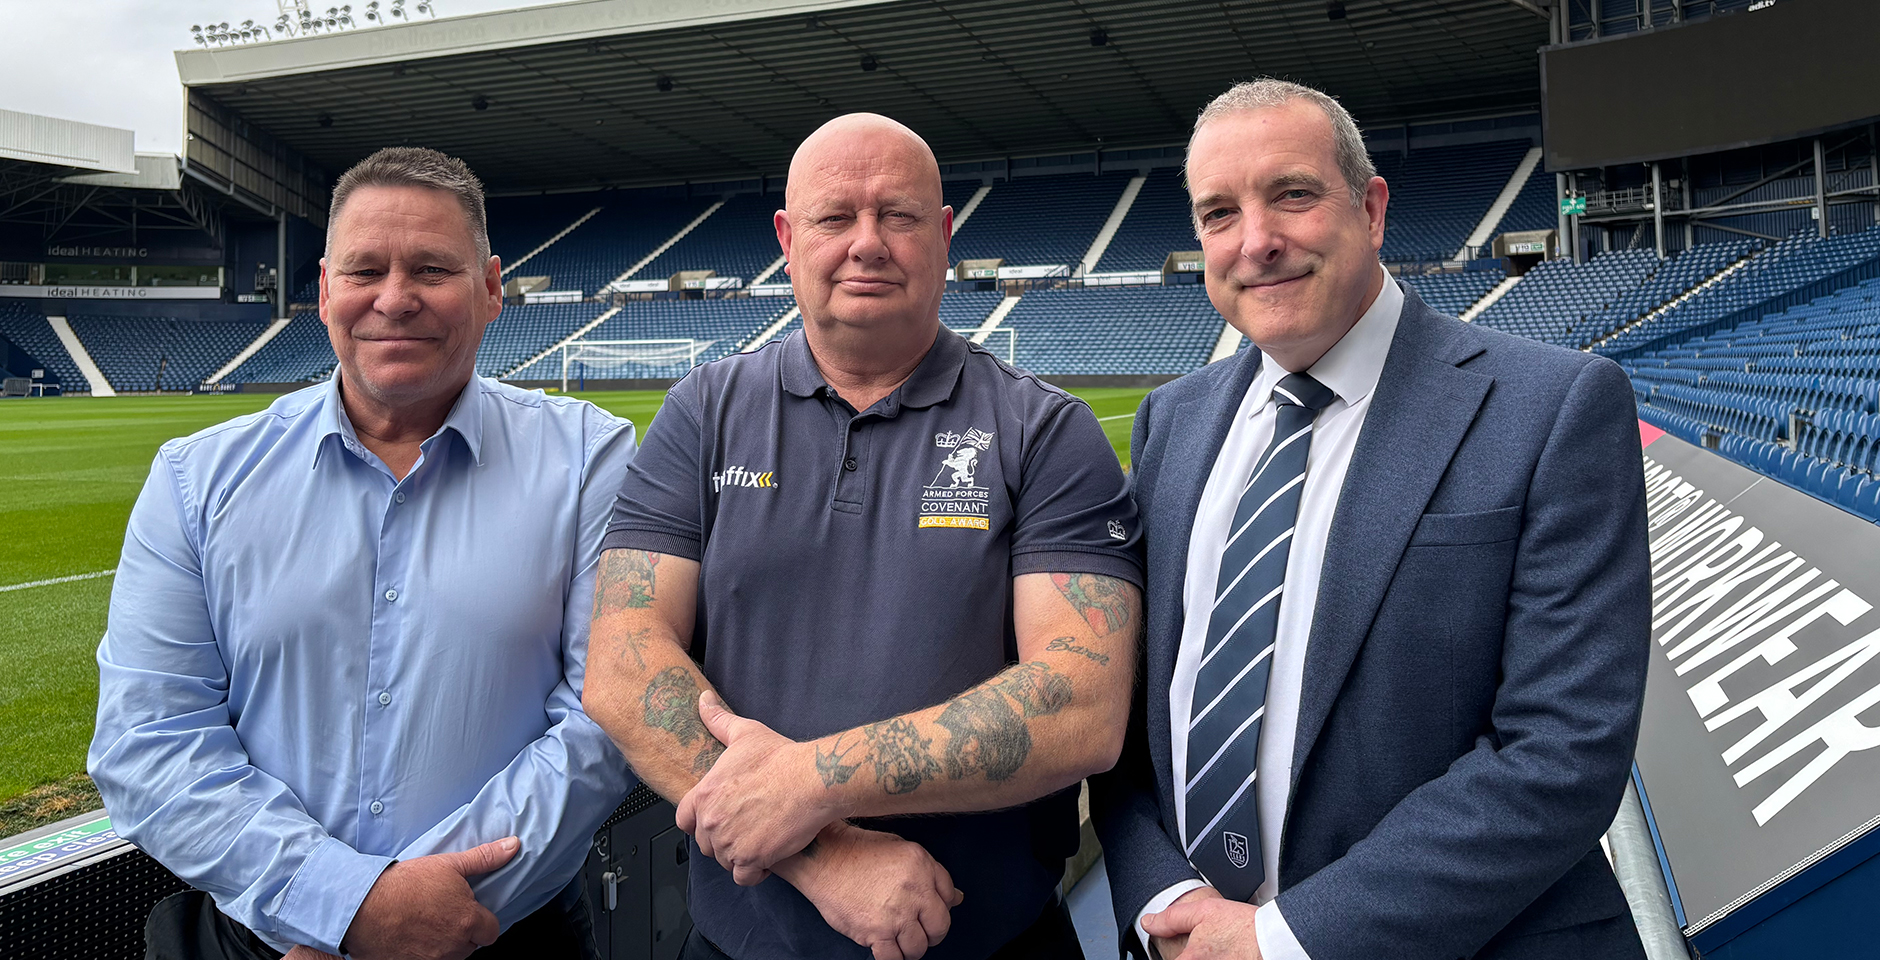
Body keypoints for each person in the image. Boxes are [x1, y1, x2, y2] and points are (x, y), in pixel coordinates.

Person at [1091, 79, 1652, 960]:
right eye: (1218, 214)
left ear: (1372, 208)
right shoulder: (1173, 421)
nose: (1257, 242)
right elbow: (1128, 719)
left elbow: (1560, 751)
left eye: (1293, 195)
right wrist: (1166, 899)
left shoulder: (1554, 407)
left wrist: (1280, 941)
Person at [580, 113, 1144, 960]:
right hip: (740, 941)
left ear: (945, 236)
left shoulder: (1046, 432)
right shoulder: (703, 413)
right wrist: (821, 850)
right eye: (835, 217)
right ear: (786, 237)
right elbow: (623, 660)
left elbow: (1081, 703)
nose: (867, 243)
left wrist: (808, 783)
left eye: (899, 216)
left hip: (986, 938)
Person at [88, 146, 637, 960]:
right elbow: (149, 740)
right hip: (266, 940)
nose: (394, 298)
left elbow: (605, 718)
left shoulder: (593, 460)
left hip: (507, 932)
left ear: (490, 290)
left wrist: (413, 913)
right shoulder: (194, 481)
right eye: (365, 269)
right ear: (323, 291)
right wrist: (344, 906)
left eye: (431, 269)